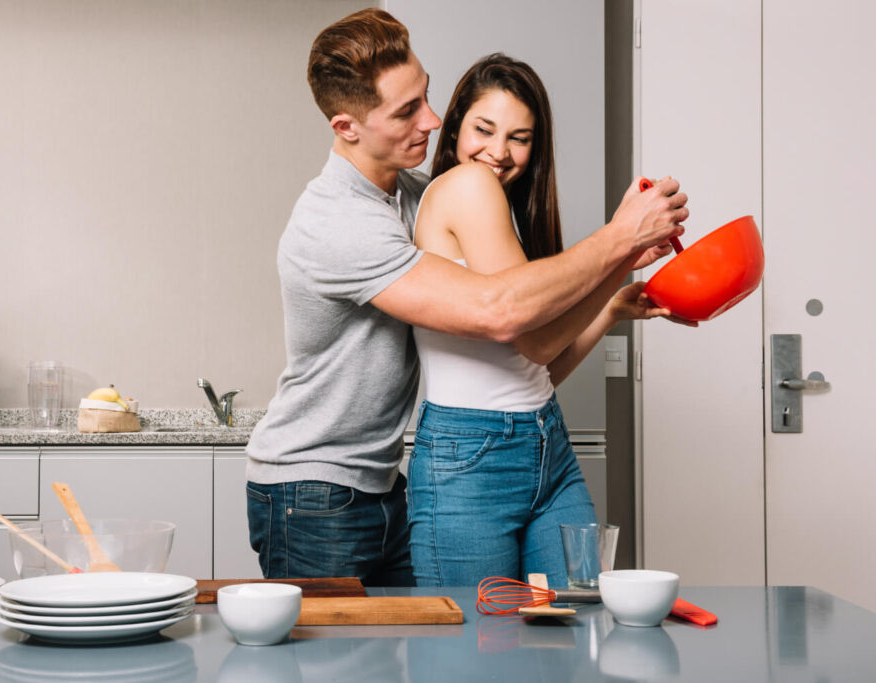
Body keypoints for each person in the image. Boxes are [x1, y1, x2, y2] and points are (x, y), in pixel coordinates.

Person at [245, 9, 688, 586]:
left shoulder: (414, 193)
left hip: (383, 479)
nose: (431, 120)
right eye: (407, 111)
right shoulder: (337, 223)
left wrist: (611, 291)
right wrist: (622, 237)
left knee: (444, 642)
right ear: (347, 125)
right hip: (312, 487)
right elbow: (504, 315)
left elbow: (521, 354)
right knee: (353, 661)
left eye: (426, 97)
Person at [406, 54, 678, 588]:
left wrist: (613, 300)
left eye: (520, 138)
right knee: (474, 656)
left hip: (546, 441)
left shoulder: (502, 211)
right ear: (456, 122)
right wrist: (623, 240)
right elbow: (531, 338)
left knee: (577, 628)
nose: (499, 152)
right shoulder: (466, 186)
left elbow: (538, 367)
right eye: (484, 128)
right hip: (470, 461)